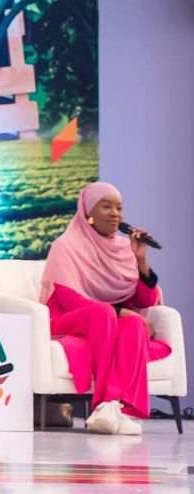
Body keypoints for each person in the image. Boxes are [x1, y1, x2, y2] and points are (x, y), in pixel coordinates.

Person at [40, 181, 170, 436]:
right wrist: (120, 311)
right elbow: (70, 301)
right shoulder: (66, 246)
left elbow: (144, 301)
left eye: (119, 208)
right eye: (106, 206)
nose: (115, 214)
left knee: (134, 324)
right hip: (67, 319)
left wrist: (141, 258)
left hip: (107, 318)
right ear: (88, 212)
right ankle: (106, 403)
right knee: (104, 313)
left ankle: (115, 408)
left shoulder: (125, 248)